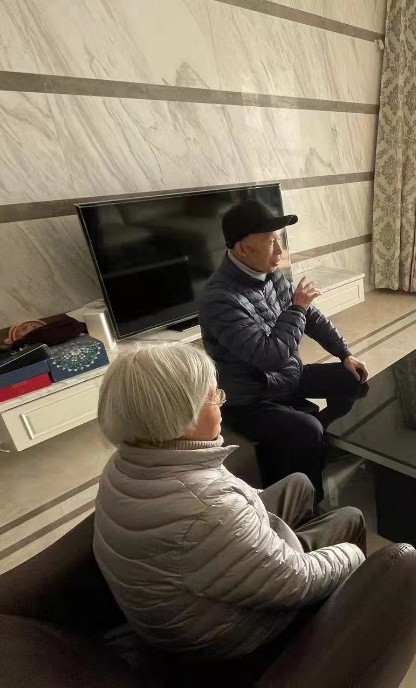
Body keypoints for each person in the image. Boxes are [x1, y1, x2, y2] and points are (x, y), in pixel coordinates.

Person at [92, 343, 366, 659]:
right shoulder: (210, 508)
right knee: (349, 520)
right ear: (181, 416)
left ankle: (291, 554)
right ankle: (348, 637)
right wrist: (353, 555)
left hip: (192, 589)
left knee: (299, 485)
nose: (222, 401)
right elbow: (298, 580)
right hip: (227, 631)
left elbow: (221, 508)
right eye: (213, 396)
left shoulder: (128, 460)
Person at [199, 200, 369, 502]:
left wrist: (345, 354)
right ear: (242, 249)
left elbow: (311, 318)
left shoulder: (271, 272)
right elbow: (269, 355)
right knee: (306, 428)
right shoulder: (219, 299)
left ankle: (320, 445)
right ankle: (308, 504)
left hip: (287, 378)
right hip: (250, 397)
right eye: (270, 243)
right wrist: (297, 308)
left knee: (354, 379)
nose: (279, 251)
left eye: (279, 240)